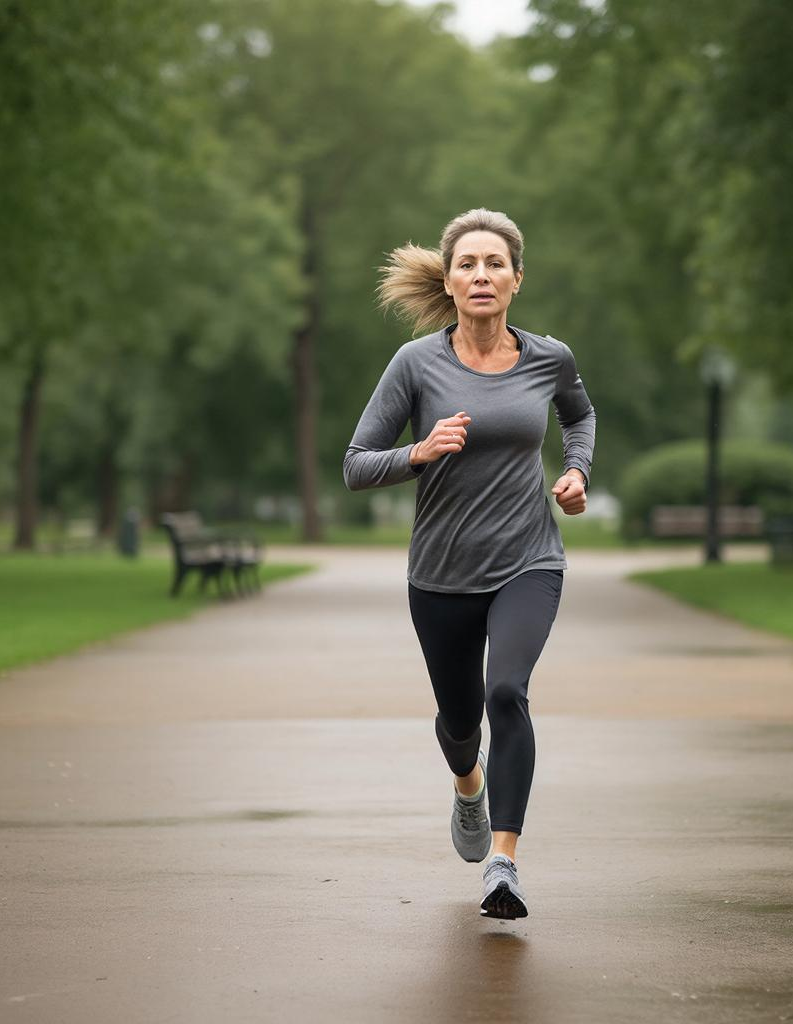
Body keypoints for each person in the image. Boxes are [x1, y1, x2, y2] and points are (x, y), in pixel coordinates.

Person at [342, 208, 596, 920]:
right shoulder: (415, 364)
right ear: (449, 282)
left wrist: (576, 471)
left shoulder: (550, 357)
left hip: (529, 559)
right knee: (460, 722)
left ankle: (504, 865)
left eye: (494, 264)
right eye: (467, 265)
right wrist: (417, 453)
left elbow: (579, 416)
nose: (481, 275)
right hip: (442, 573)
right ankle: (466, 785)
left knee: (506, 693)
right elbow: (356, 465)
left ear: (517, 279)